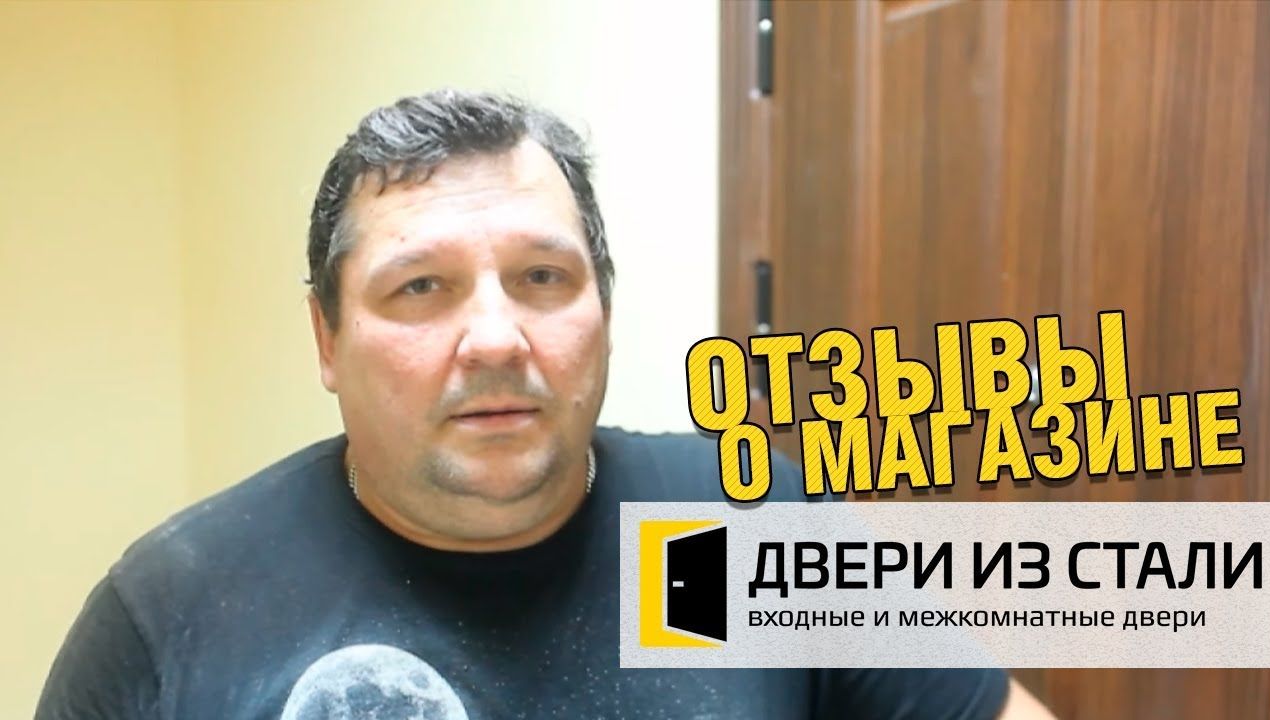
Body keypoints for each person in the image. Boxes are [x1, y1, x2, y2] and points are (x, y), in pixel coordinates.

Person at [36, 90, 1052, 719]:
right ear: (327, 341)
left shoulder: (744, 527)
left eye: (541, 278)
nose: (494, 338)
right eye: (419, 288)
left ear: (604, 311)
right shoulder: (173, 613)